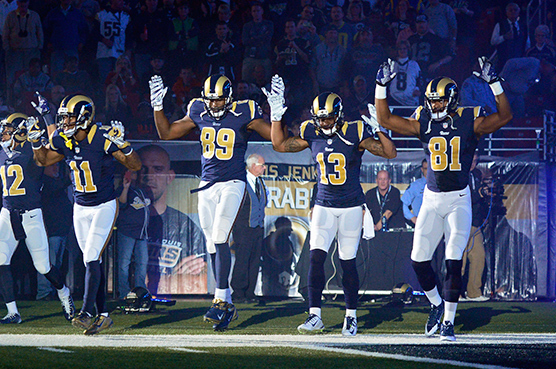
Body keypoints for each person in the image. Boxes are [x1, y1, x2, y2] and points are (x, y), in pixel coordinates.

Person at [373, 56, 513, 341]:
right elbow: (385, 119)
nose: (434, 106)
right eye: (431, 101)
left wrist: (496, 84)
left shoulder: (468, 119)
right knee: (418, 261)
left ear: (451, 99)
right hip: (432, 199)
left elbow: (505, 117)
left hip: (458, 199)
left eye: (438, 101)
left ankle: (448, 321)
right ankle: (437, 304)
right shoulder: (424, 120)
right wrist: (380, 87)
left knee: (452, 259)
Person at [265, 75, 397, 336]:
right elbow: (279, 144)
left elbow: (390, 152)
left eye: (327, 118)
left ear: (338, 115)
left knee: (347, 261)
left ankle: (350, 316)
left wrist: (379, 129)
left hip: (350, 206)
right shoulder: (310, 131)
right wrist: (276, 116)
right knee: (315, 260)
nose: (323, 123)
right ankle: (315, 315)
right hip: (323, 205)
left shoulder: (354, 131)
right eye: (320, 118)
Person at [149, 73, 272, 331]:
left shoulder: (244, 111)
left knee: (219, 237)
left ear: (228, 98)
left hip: (232, 182)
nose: (214, 105)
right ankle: (225, 301)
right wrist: (157, 106)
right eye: (210, 100)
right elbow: (166, 132)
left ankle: (220, 298)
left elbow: (275, 138)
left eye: (218, 101)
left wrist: (278, 113)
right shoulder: (197, 109)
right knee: (211, 242)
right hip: (206, 184)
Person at [30, 93, 141, 335]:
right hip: (80, 208)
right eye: (63, 119)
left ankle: (87, 311)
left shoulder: (101, 137)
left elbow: (134, 165)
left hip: (103, 206)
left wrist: (125, 145)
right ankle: (103, 316)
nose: (64, 123)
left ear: (83, 118)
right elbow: (44, 159)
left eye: (69, 118)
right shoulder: (63, 138)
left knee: (91, 257)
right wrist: (36, 142)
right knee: (92, 261)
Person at [0, 103, 75, 324]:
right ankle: (12, 312)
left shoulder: (32, 150)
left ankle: (64, 293)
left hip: (31, 214)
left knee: (43, 266)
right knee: (0, 259)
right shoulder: (0, 150)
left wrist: (46, 117)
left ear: (20, 131)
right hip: (8, 213)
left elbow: (57, 148)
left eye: (7, 130)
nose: (3, 133)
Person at [136, 145, 207, 296]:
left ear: (170, 177)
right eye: (143, 169)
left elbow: (201, 281)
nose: (149, 176)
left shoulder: (188, 226)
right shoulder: (123, 222)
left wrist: (190, 276)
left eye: (158, 169)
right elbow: (112, 277)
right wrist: (174, 278)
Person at [231, 154, 267, 303]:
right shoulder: (241, 182)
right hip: (243, 227)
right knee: (242, 260)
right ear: (253, 166)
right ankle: (238, 293)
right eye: (262, 165)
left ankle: (250, 292)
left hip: (257, 228)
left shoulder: (260, 182)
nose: (264, 168)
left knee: (254, 261)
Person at [37, 163, 73, 300]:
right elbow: (53, 189)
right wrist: (68, 179)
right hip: (51, 230)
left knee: (55, 263)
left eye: (57, 166)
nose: (55, 168)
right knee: (47, 263)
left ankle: (50, 290)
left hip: (61, 230)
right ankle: (44, 292)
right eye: (52, 166)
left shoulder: (55, 182)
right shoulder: (44, 183)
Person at [116, 169, 150, 299]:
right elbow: (122, 203)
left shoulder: (141, 190)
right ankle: (124, 293)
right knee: (124, 263)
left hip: (142, 233)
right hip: (127, 231)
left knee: (142, 262)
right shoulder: (123, 189)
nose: (134, 176)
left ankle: (140, 291)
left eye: (136, 173)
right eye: (131, 173)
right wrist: (125, 187)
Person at [2, 0, 43, 103]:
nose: (23, 4)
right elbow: (5, 34)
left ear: (28, 2)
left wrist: (39, 47)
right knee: (12, 77)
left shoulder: (34, 15)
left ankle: (33, 101)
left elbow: (40, 32)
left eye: (25, 2)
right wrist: (7, 48)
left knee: (32, 77)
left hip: (31, 51)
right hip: (15, 52)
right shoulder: (11, 16)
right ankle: (11, 101)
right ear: (18, 3)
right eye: (21, 2)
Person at [461, 152, 488, 302]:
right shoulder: (458, 175)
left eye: (475, 161)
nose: (473, 164)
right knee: (460, 260)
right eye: (471, 160)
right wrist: (479, 194)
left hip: (475, 224)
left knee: (478, 256)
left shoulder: (476, 175)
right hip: (461, 224)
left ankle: (474, 292)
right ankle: (456, 293)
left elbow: (478, 199)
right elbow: (462, 198)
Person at [95, 0, 131, 84]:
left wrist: (129, 50)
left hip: (119, 54)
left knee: (120, 81)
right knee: (104, 81)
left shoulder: (126, 17)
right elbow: (94, 33)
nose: (122, 2)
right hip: (103, 53)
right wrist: (104, 40)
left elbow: (129, 36)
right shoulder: (101, 15)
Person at [490, 2, 529, 70]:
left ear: (518, 11)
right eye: (511, 10)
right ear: (507, 12)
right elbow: (493, 41)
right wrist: (504, 37)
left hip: (519, 60)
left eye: (515, 10)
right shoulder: (500, 25)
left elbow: (527, 43)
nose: (513, 12)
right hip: (504, 61)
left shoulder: (523, 26)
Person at [401, 158, 428, 227]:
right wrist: (412, 218)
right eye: (426, 169)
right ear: (422, 170)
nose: (428, 171)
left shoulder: (440, 185)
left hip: (438, 224)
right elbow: (403, 204)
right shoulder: (415, 186)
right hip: (421, 224)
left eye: (430, 169)